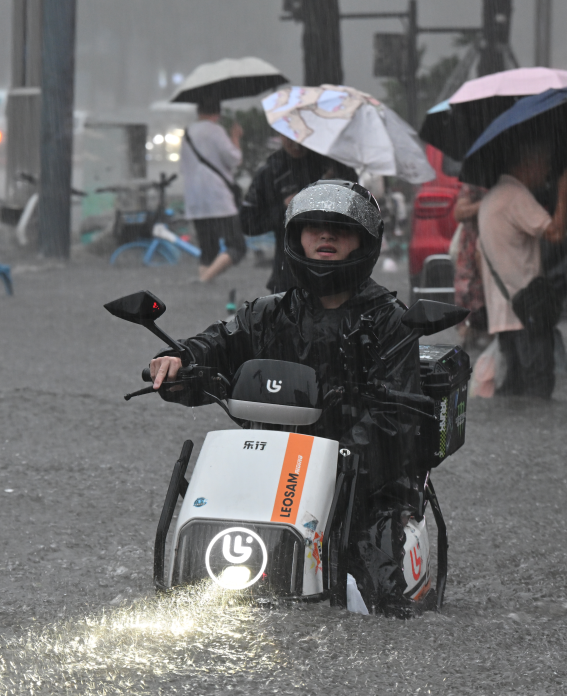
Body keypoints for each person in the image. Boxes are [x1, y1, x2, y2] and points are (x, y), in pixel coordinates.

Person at [150, 180, 428, 617]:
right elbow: (218, 345)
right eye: (314, 227)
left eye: (340, 229)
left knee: (381, 600)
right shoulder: (266, 313)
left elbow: (399, 420)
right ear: (295, 236)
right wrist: (179, 361)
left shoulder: (391, 324)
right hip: (270, 475)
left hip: (364, 488)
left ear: (365, 241)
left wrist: (346, 456)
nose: (326, 237)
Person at [477, 140, 567, 399]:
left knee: (514, 390)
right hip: (527, 312)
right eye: (544, 165)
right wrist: (564, 192)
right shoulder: (516, 196)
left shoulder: (493, 196)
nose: (546, 172)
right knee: (538, 390)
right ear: (527, 164)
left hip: (504, 311)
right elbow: (556, 233)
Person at [241, 134, 358, 293]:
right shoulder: (270, 172)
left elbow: (356, 212)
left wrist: (332, 191)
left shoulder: (334, 166)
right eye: (288, 135)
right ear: (279, 133)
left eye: (299, 134)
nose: (295, 141)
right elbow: (247, 223)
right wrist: (284, 208)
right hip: (288, 276)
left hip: (337, 273)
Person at [179, 99, 247, 283]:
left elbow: (184, 167)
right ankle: (204, 281)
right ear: (217, 113)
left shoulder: (187, 133)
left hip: (195, 199)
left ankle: (204, 284)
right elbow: (234, 159)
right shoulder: (215, 131)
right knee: (238, 246)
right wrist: (235, 137)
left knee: (208, 248)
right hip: (218, 199)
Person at [451, 183, 489, 351]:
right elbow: (459, 213)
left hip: (494, 246)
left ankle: (487, 333)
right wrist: (485, 204)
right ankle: (469, 331)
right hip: (472, 248)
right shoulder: (474, 185)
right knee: (468, 290)